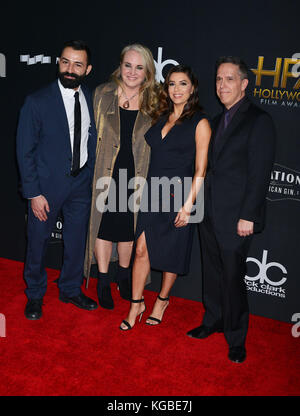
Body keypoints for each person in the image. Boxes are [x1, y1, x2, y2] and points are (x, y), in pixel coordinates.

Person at [187, 56, 276, 363]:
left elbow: (260, 172)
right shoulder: (214, 121)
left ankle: (236, 338)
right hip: (209, 211)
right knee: (211, 272)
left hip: (237, 216)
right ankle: (213, 320)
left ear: (244, 84)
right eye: (218, 80)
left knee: (233, 277)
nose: (221, 85)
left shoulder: (258, 120)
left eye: (228, 79)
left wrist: (248, 215)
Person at [120, 65, 211, 331]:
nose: (177, 90)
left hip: (180, 196)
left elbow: (201, 169)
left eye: (183, 84)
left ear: (192, 88)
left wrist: (188, 206)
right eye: (171, 84)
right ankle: (136, 303)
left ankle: (162, 300)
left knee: (172, 253)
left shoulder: (200, 122)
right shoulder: (161, 116)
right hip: (152, 193)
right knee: (141, 249)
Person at [17, 40, 98, 320]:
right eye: (65, 61)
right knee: (38, 242)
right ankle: (35, 294)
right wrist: (33, 193)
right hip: (46, 188)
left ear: (87, 69)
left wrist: (88, 175)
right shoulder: (37, 102)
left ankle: (70, 288)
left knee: (76, 241)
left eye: (77, 64)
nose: (70, 69)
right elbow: (24, 150)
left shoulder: (90, 97)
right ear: (58, 62)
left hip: (81, 184)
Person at [84, 44, 159, 310]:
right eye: (128, 65)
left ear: (148, 71)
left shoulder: (156, 99)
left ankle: (124, 277)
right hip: (104, 172)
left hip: (138, 174)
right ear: (120, 66)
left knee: (129, 228)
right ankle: (103, 280)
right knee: (103, 227)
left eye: (139, 67)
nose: (132, 72)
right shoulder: (102, 93)